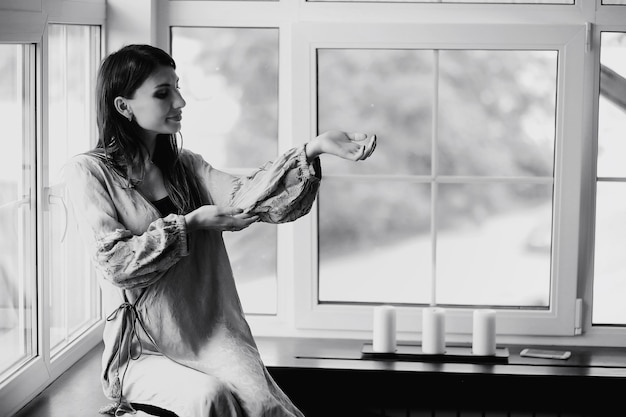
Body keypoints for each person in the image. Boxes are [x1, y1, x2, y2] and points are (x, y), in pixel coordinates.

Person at [63, 43, 376, 417]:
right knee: (209, 398)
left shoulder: (186, 166)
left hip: (211, 333)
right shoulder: (88, 172)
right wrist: (190, 224)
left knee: (264, 405)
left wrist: (312, 149)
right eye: (163, 93)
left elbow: (246, 196)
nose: (180, 101)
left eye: (177, 88)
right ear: (123, 106)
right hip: (140, 350)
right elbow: (115, 264)